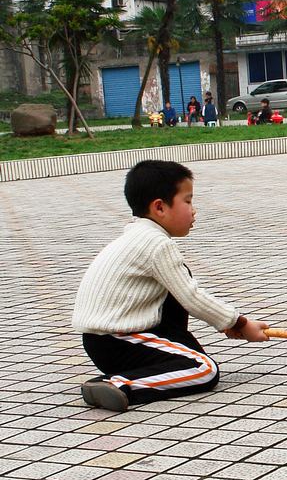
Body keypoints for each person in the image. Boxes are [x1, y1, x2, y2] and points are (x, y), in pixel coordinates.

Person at [72, 160, 270, 412]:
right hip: (119, 340)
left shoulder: (135, 236)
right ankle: (119, 385)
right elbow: (192, 297)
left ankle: (159, 361)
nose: (194, 210)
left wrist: (228, 323)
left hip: (102, 341)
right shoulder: (156, 245)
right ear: (159, 207)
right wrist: (238, 323)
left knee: (179, 281)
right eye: (187, 201)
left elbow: (182, 293)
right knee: (203, 369)